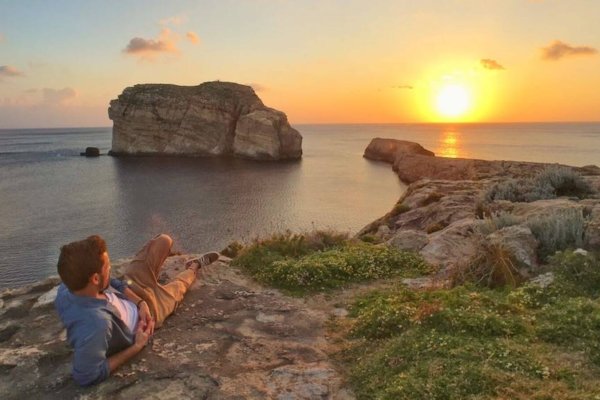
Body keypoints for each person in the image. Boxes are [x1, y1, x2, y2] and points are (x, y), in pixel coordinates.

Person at [54, 233, 219, 386]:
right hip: (153, 311)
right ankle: (194, 266)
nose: (110, 269)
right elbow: (86, 376)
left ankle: (154, 281)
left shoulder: (68, 288)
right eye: (108, 266)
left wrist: (140, 302)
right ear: (95, 278)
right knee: (179, 287)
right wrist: (137, 346)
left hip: (133, 287)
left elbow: (113, 282)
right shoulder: (97, 325)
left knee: (164, 241)